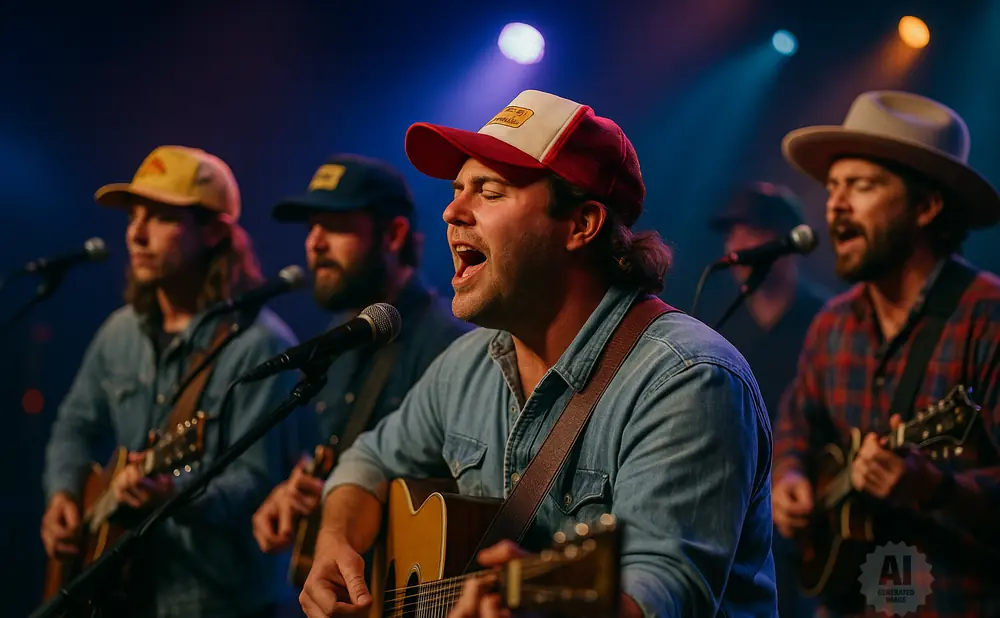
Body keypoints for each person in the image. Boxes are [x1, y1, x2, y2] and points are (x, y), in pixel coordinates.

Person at [299, 89, 778, 617]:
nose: (452, 210)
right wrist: (335, 541)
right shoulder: (465, 365)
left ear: (581, 225)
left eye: (490, 191)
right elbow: (367, 460)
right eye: (458, 189)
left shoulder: (688, 379)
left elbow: (657, 597)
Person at [40, 145, 304, 618]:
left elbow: (256, 483)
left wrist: (174, 495)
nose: (136, 234)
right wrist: (63, 493)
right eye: (133, 217)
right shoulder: (120, 331)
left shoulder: (260, 345)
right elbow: (73, 425)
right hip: (127, 595)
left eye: (161, 218)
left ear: (214, 232)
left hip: (219, 602)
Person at [773, 90, 1000, 617]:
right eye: (833, 187)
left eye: (861, 186)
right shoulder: (832, 324)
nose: (835, 205)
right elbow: (796, 423)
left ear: (926, 207)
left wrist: (938, 490)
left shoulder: (987, 319)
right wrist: (790, 477)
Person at [251, 155, 471, 566]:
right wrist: (294, 492)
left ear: (394, 234)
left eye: (335, 226)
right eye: (311, 226)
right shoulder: (334, 340)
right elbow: (329, 457)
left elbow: (467, 501)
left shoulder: (452, 345)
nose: (314, 243)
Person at [708, 183, 826, 618]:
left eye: (751, 230)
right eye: (731, 233)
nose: (736, 245)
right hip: (734, 510)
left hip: (809, 511)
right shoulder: (717, 324)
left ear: (787, 240)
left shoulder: (824, 321)